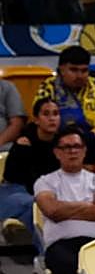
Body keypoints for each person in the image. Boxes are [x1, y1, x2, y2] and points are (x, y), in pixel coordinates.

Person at [34, 126, 95, 274]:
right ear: (57, 152)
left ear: (84, 150)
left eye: (77, 146)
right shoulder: (45, 182)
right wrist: (87, 206)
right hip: (61, 245)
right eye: (66, 147)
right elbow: (52, 211)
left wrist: (65, 208)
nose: (72, 151)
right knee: (64, 264)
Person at [0, 98, 58, 245]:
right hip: (14, 192)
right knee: (36, 205)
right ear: (36, 119)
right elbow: (14, 176)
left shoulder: (63, 144)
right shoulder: (23, 143)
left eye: (55, 114)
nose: (52, 118)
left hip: (46, 194)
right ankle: (46, 250)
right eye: (46, 114)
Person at [36, 46, 95, 131]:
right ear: (62, 70)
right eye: (74, 70)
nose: (79, 76)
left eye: (84, 71)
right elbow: (40, 120)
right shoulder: (48, 87)